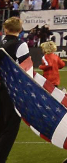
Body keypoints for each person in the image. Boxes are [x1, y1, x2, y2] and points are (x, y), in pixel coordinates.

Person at [0, 16, 31, 159]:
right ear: (20, 30)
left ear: (5, 29)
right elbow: (26, 69)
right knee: (10, 127)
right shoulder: (20, 45)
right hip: (9, 91)